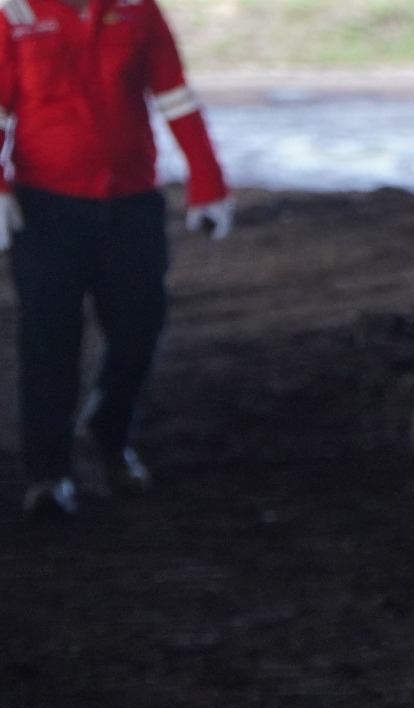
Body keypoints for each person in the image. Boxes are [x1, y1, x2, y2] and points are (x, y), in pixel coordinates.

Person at [2, 0, 231, 517]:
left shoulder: (138, 10)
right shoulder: (14, 15)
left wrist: (208, 179)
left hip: (131, 204)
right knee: (49, 339)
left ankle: (107, 436)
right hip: (45, 209)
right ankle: (48, 473)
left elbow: (175, 95)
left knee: (139, 326)